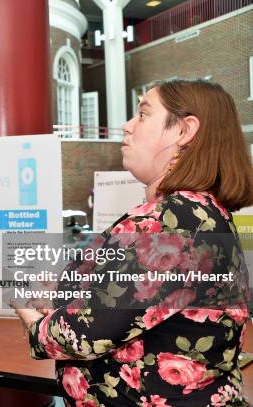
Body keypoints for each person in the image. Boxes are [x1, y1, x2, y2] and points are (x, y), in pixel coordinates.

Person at [13, 80, 253, 406]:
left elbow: (83, 335)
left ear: (184, 131)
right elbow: (122, 295)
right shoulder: (191, 212)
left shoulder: (176, 221)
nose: (127, 126)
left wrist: (28, 312)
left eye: (142, 115)